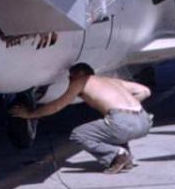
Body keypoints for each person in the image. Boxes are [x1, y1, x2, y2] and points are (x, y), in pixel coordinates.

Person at [9, 63, 152, 173]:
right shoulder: (110, 80)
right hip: (144, 121)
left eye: (70, 77)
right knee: (108, 127)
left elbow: (58, 105)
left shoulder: (81, 81)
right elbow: (145, 91)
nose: (69, 80)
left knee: (79, 134)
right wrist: (126, 110)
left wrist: (30, 114)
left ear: (78, 75)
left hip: (124, 123)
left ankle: (116, 154)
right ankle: (126, 158)